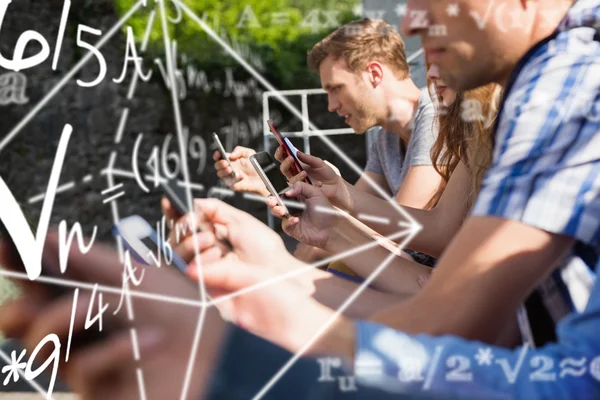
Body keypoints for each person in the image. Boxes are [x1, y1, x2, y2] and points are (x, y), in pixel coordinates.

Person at [214, 19, 441, 264]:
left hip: (435, 282)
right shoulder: (386, 135)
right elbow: (351, 211)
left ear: (374, 74)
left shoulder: (435, 116)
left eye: (336, 89)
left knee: (331, 254)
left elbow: (395, 229)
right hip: (406, 275)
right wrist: (271, 184)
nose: (332, 105)